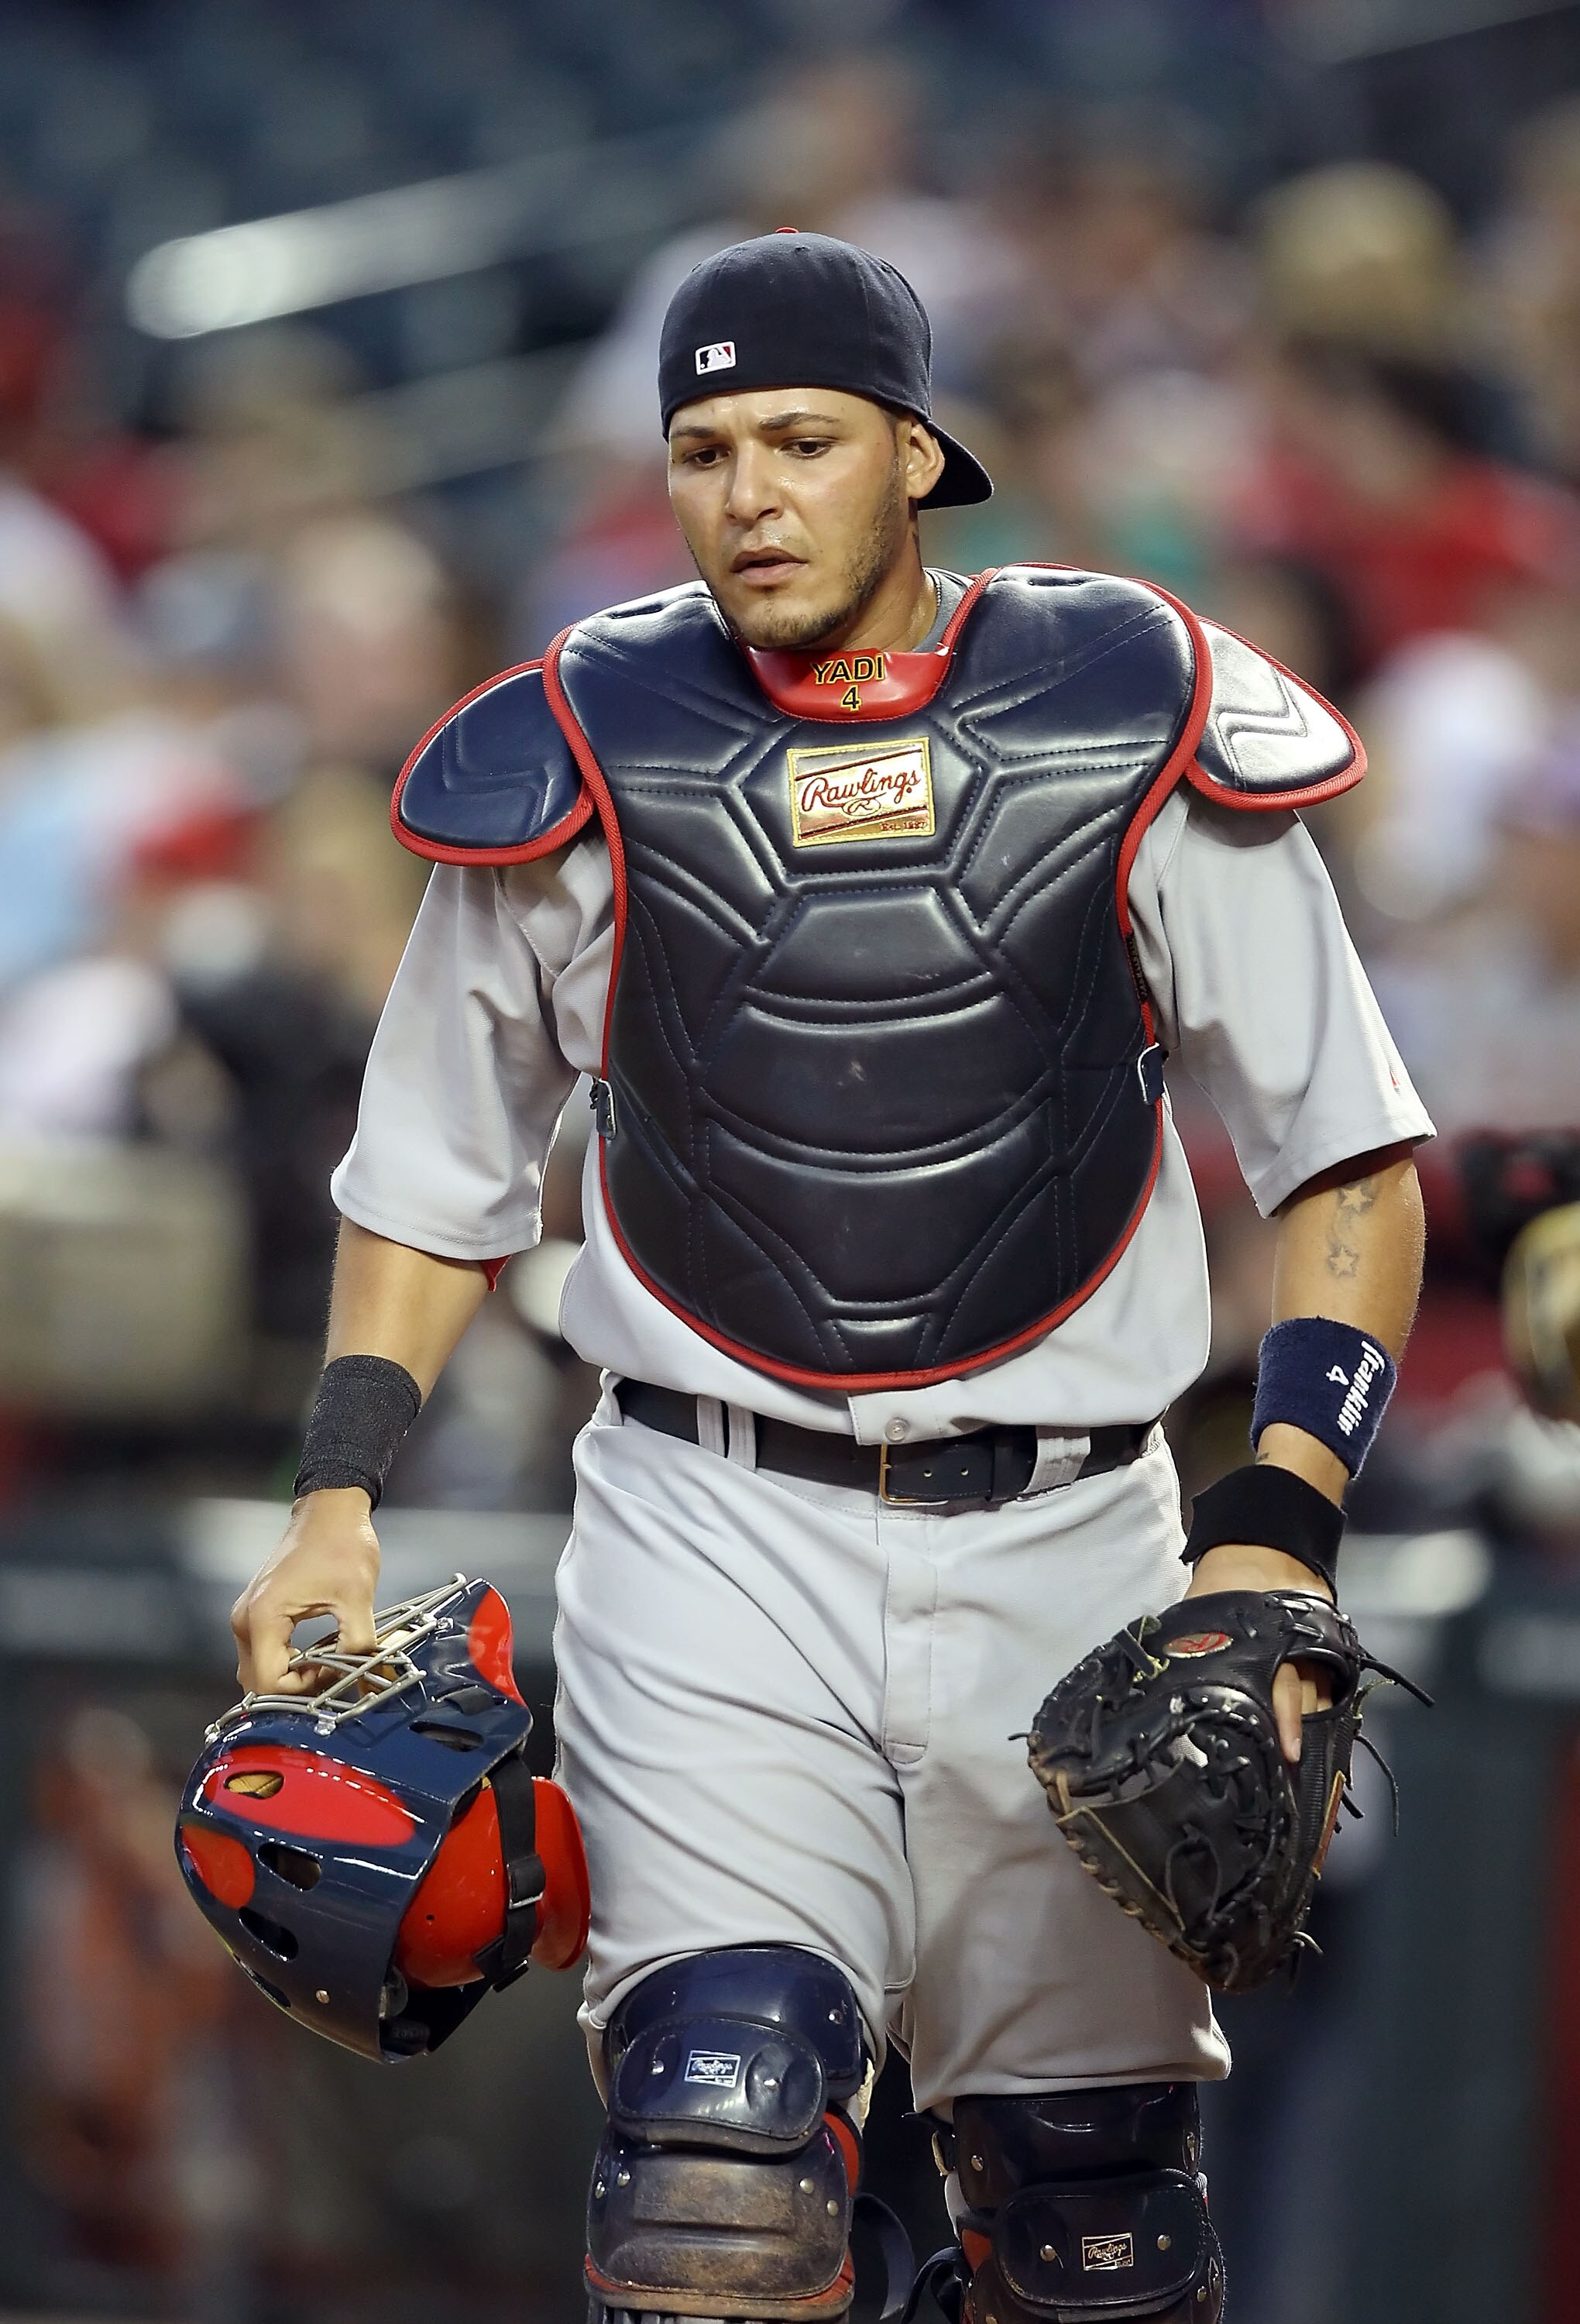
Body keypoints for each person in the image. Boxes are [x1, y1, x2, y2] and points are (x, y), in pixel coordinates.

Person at [231, 232, 1431, 2324]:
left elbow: (1349, 1153)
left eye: (802, 440)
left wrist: (1276, 1528)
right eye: (702, 449)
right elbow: (430, 1181)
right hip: (713, 1524)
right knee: (716, 2187)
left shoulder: (1132, 706)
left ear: (914, 453)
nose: (751, 495)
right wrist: (339, 1492)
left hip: (1077, 1535)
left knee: (1091, 2232)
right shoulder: (577, 742)